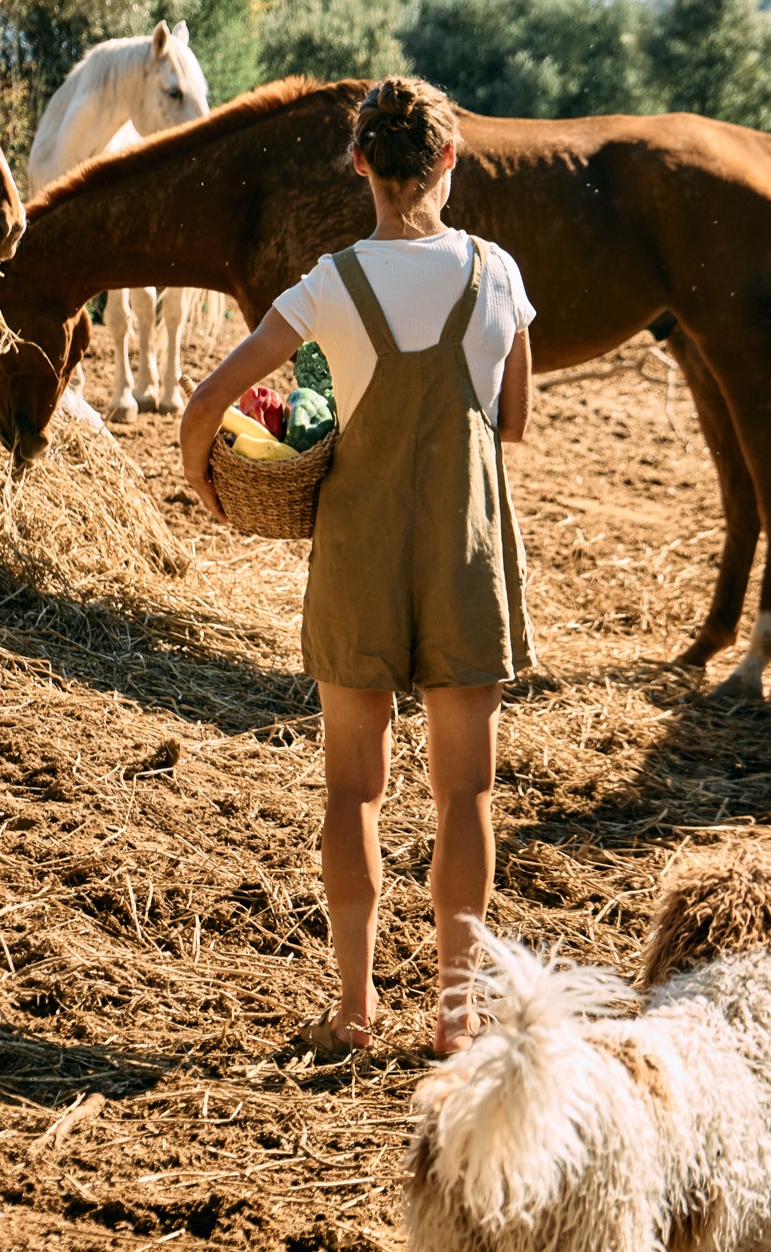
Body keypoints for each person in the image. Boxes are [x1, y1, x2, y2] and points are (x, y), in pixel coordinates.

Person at [179, 76, 534, 1057]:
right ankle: (456, 1014)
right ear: (450, 162)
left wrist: (206, 480)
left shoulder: (332, 282)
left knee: (353, 791)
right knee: (466, 792)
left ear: (359, 163)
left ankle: (353, 1010)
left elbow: (209, 401)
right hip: (462, 553)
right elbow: (512, 421)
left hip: (357, 554)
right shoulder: (495, 276)